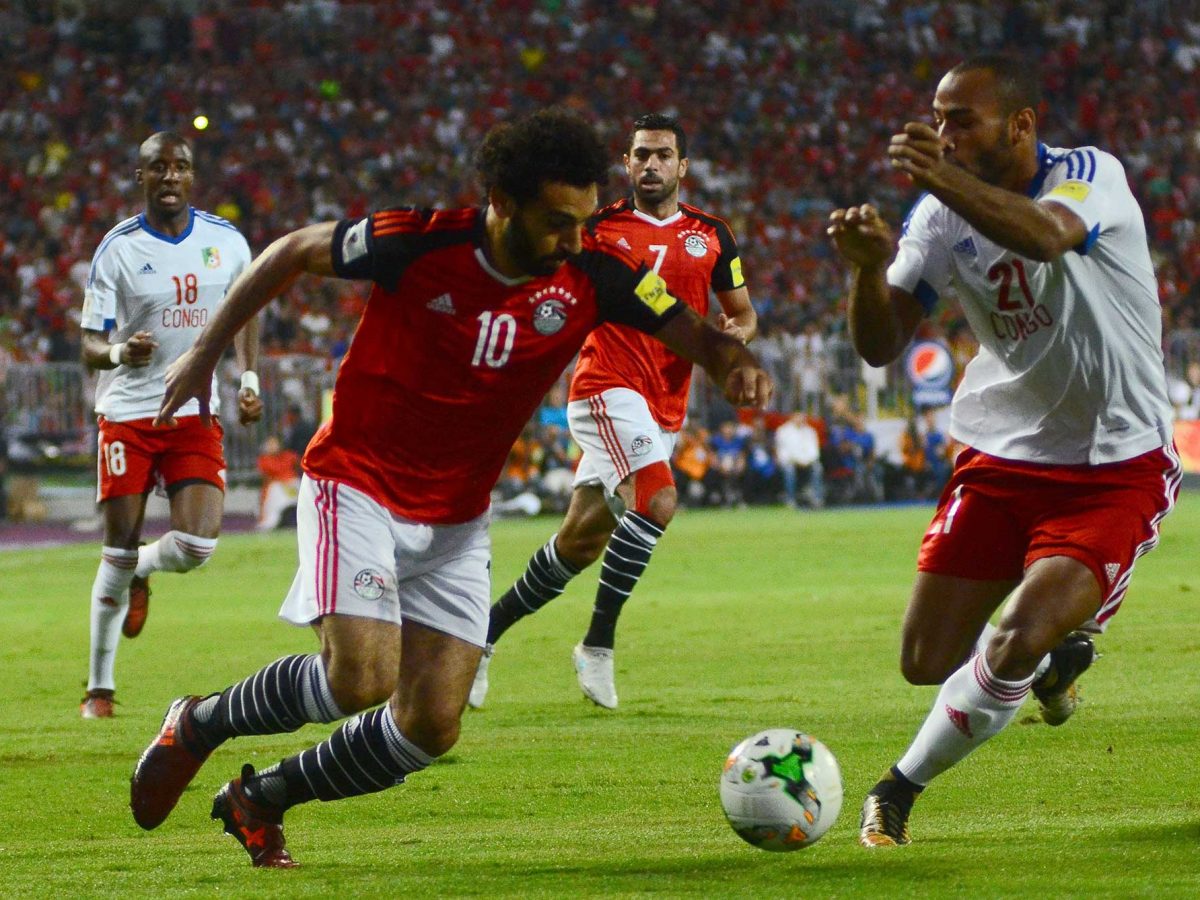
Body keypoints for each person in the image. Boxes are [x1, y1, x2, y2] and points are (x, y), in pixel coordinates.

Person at [129, 109, 771, 867]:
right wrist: (205, 355)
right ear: (501, 201)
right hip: (357, 481)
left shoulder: (595, 274)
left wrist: (733, 366)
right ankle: (200, 724)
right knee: (360, 679)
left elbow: (700, 336)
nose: (574, 240)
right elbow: (293, 251)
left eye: (585, 222)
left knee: (432, 724)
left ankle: (260, 799)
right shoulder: (419, 240)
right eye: (558, 223)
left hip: (459, 515)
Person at [827, 54, 1179, 848]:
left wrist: (941, 181)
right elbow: (882, 343)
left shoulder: (1091, 174)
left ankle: (897, 789)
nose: (943, 134)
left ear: (1020, 126)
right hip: (1005, 455)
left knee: (1014, 637)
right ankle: (1059, 662)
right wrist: (864, 272)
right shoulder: (938, 218)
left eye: (961, 120)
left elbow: (1048, 237)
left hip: (1114, 465)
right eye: (937, 117)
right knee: (926, 659)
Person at [469, 113, 755, 710]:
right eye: (641, 155)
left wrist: (738, 331)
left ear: (683, 166)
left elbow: (743, 311)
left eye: (663, 155)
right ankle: (599, 644)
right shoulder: (595, 228)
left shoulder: (713, 234)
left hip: (665, 404)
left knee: (578, 542)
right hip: (606, 385)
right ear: (626, 164)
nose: (651, 165)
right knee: (657, 501)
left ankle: (481, 637)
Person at [79, 132, 262, 719]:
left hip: (192, 411)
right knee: (116, 545)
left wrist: (249, 378)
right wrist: (115, 355)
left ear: (191, 176)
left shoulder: (227, 242)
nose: (169, 176)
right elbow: (88, 343)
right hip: (128, 414)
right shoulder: (117, 249)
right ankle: (99, 690)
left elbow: (246, 310)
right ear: (141, 176)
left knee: (198, 545)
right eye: (157, 166)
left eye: (179, 167)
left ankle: (142, 574)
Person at [774, 411, 824, 508]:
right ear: (792, 416)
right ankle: (790, 499)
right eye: (798, 416)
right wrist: (796, 461)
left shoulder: (810, 431)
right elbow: (782, 452)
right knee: (789, 470)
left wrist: (806, 461)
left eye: (802, 416)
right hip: (790, 461)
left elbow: (814, 451)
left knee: (817, 468)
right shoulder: (783, 431)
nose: (800, 418)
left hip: (807, 462)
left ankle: (817, 499)